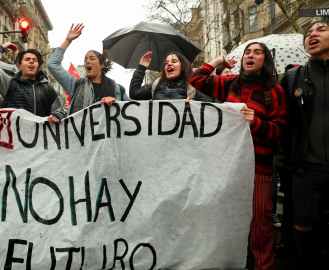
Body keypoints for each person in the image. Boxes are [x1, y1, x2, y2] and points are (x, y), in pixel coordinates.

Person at [190, 42, 287, 270]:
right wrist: (217, 62)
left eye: (257, 52)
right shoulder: (229, 84)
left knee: (260, 224)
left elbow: (279, 132)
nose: (250, 56)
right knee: (228, 218)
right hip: (230, 167)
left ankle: (264, 263)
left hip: (259, 169)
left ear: (265, 61)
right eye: (247, 53)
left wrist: (257, 123)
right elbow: (195, 79)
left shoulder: (275, 92)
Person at [281, 20, 329, 269]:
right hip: (306, 168)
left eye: (321, 29)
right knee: (303, 222)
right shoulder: (293, 78)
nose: (312, 34)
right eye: (308, 32)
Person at [47, 23, 129, 115]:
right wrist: (68, 40)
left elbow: (130, 112)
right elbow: (52, 65)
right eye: (85, 60)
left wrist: (116, 104)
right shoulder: (75, 85)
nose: (87, 61)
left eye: (92, 58)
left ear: (101, 65)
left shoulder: (117, 89)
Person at [0, 43, 64, 122]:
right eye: (27, 59)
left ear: (38, 67)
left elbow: (59, 111)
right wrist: (1, 48)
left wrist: (56, 116)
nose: (31, 61)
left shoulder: (47, 88)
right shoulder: (10, 84)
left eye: (34, 60)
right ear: (19, 67)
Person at [129, 51, 219, 102]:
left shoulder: (194, 86)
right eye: (166, 63)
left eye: (174, 61)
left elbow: (217, 104)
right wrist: (141, 67)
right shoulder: (156, 85)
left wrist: (196, 103)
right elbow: (134, 93)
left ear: (183, 66)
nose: (169, 64)